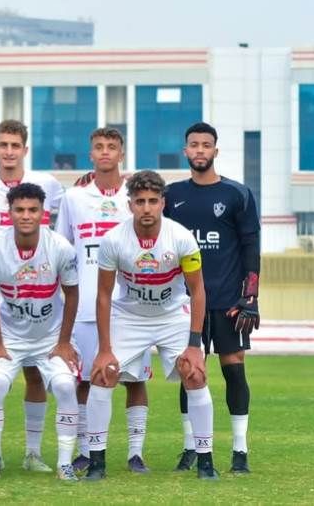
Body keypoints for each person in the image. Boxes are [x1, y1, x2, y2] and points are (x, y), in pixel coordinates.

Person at [85, 170, 219, 481]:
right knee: (103, 374)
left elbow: (198, 291)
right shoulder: (113, 240)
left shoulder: (181, 238)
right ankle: (96, 463)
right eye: (140, 201)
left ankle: (205, 461)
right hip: (129, 316)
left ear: (163, 203)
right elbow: (103, 295)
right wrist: (104, 349)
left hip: (171, 316)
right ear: (130, 204)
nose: (147, 208)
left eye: (153, 201)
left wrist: (194, 345)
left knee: (195, 374)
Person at [0, 119, 63, 473]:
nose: (9, 152)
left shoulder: (47, 185)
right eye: (3, 145)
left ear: (25, 149)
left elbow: (71, 209)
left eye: (15, 145)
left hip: (36, 296)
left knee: (36, 374)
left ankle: (33, 453)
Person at [164, 122, 260, 474]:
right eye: (194, 144)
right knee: (189, 368)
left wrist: (251, 296)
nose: (200, 150)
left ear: (215, 151)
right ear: (185, 151)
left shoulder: (237, 194)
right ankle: (190, 447)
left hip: (228, 301)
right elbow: (138, 209)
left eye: (206, 145)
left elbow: (251, 247)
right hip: (186, 302)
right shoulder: (171, 195)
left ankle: (240, 450)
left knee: (234, 370)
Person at [55, 127, 151, 474]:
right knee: (84, 378)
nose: (106, 152)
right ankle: (86, 450)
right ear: (91, 154)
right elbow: (63, 249)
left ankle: (136, 453)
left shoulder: (136, 195)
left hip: (129, 305)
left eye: (112, 146)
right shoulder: (74, 197)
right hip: (84, 303)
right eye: (99, 147)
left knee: (135, 379)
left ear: (121, 153)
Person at [0, 183, 81, 482]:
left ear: (43, 213)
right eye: (19, 210)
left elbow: (72, 294)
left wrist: (64, 342)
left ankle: (64, 464)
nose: (26, 215)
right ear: (9, 213)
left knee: (65, 386)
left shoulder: (60, 247)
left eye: (32, 210)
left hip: (50, 338)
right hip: (10, 339)